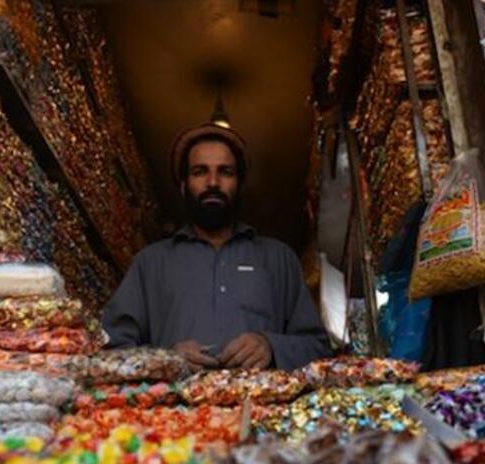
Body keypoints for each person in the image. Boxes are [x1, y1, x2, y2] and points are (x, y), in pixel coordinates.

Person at [102, 123, 331, 371]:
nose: (213, 182)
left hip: (259, 407)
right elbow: (110, 349)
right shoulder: (149, 263)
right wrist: (165, 360)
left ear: (239, 184)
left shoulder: (278, 258)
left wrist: (271, 346)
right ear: (183, 185)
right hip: (173, 409)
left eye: (226, 172)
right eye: (200, 172)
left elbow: (317, 347)